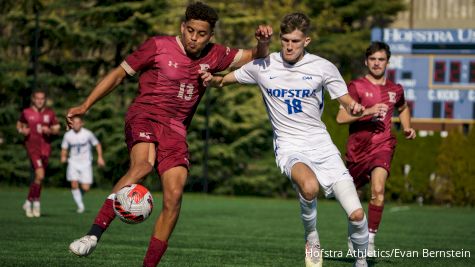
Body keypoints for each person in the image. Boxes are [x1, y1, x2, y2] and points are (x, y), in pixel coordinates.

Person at [66, 2, 272, 266]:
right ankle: (93, 235)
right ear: (182, 27)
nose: (194, 38)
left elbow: (256, 54)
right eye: (190, 30)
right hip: (145, 115)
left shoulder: (216, 55)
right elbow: (118, 74)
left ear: (210, 36)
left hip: (175, 129)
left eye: (201, 34)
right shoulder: (157, 46)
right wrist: (85, 106)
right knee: (142, 166)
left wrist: (263, 42)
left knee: (174, 195)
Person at [201, 12, 389, 267]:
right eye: (285, 40)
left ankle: (361, 261)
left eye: (295, 41)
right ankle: (311, 237)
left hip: (322, 147)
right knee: (308, 186)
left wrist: (355, 107)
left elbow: (345, 101)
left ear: (307, 41)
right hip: (290, 147)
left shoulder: (323, 67)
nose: (289, 46)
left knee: (357, 215)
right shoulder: (263, 65)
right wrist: (210, 79)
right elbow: (223, 81)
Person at [336, 41, 416, 256]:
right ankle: (355, 235)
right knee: (353, 202)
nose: (377, 63)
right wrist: (369, 110)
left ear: (388, 62)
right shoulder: (356, 86)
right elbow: (341, 117)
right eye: (373, 59)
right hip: (357, 151)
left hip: (383, 146)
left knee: (378, 191)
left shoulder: (395, 89)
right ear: (366, 61)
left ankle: (370, 240)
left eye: (381, 59)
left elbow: (403, 107)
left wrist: (407, 127)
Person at [17, 90, 61, 218]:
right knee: (40, 175)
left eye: (42, 98)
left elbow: (57, 128)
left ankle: (30, 202)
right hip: (33, 148)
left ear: (45, 100)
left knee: (39, 178)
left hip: (45, 148)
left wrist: (51, 130)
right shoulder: (26, 112)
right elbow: (19, 124)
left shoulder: (50, 113)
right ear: (33, 99)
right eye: (37, 98)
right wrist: (22, 130)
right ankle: (34, 204)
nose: (40, 101)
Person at [61, 116, 105, 213]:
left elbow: (97, 144)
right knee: (74, 184)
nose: (76, 124)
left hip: (86, 163)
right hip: (73, 162)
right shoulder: (68, 135)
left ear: (82, 123)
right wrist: (63, 156)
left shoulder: (88, 134)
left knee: (86, 187)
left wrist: (100, 157)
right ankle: (80, 206)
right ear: (72, 124)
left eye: (78, 123)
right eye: (74, 123)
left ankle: (78, 197)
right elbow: (64, 148)